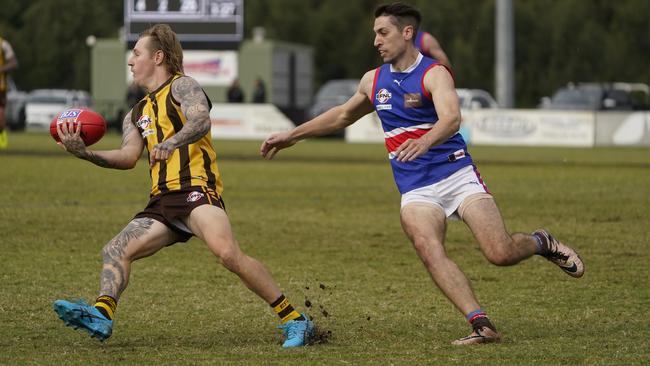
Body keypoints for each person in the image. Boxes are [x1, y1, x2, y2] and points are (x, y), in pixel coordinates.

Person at [260, 2, 584, 345]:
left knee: (499, 253)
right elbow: (341, 116)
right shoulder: (374, 81)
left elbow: (451, 118)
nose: (376, 41)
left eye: (383, 33)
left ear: (407, 33)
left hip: (456, 175)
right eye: (375, 33)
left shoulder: (434, 73)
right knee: (428, 247)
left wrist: (425, 141)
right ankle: (481, 324)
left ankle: (541, 241)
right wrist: (291, 135)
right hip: (416, 188)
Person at [52, 24, 314, 348]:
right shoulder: (136, 112)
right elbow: (128, 156)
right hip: (161, 202)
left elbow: (200, 119)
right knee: (115, 250)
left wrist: (172, 141)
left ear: (158, 56)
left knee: (228, 254)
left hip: (196, 190)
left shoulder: (183, 86)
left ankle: (294, 319)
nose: (130, 61)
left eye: (136, 53)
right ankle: (102, 313)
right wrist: (85, 153)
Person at [0, 35, 18, 149]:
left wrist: (1, 69)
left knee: (1, 116)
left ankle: (2, 135)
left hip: (0, 88)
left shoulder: (3, 44)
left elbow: (14, 63)